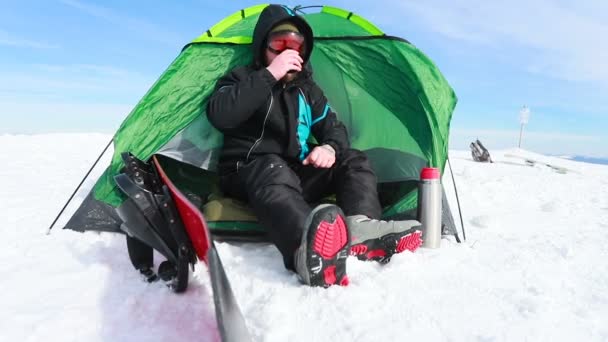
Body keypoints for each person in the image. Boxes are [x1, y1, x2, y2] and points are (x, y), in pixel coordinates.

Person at [207, 4, 422, 287]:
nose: (287, 53)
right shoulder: (242, 78)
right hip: (248, 170)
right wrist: (270, 74)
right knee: (273, 168)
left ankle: (360, 227)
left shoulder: (308, 91)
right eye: (278, 44)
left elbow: (334, 128)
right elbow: (221, 114)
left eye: (294, 46)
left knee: (352, 159)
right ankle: (306, 250)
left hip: (295, 171)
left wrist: (330, 148)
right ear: (262, 47)